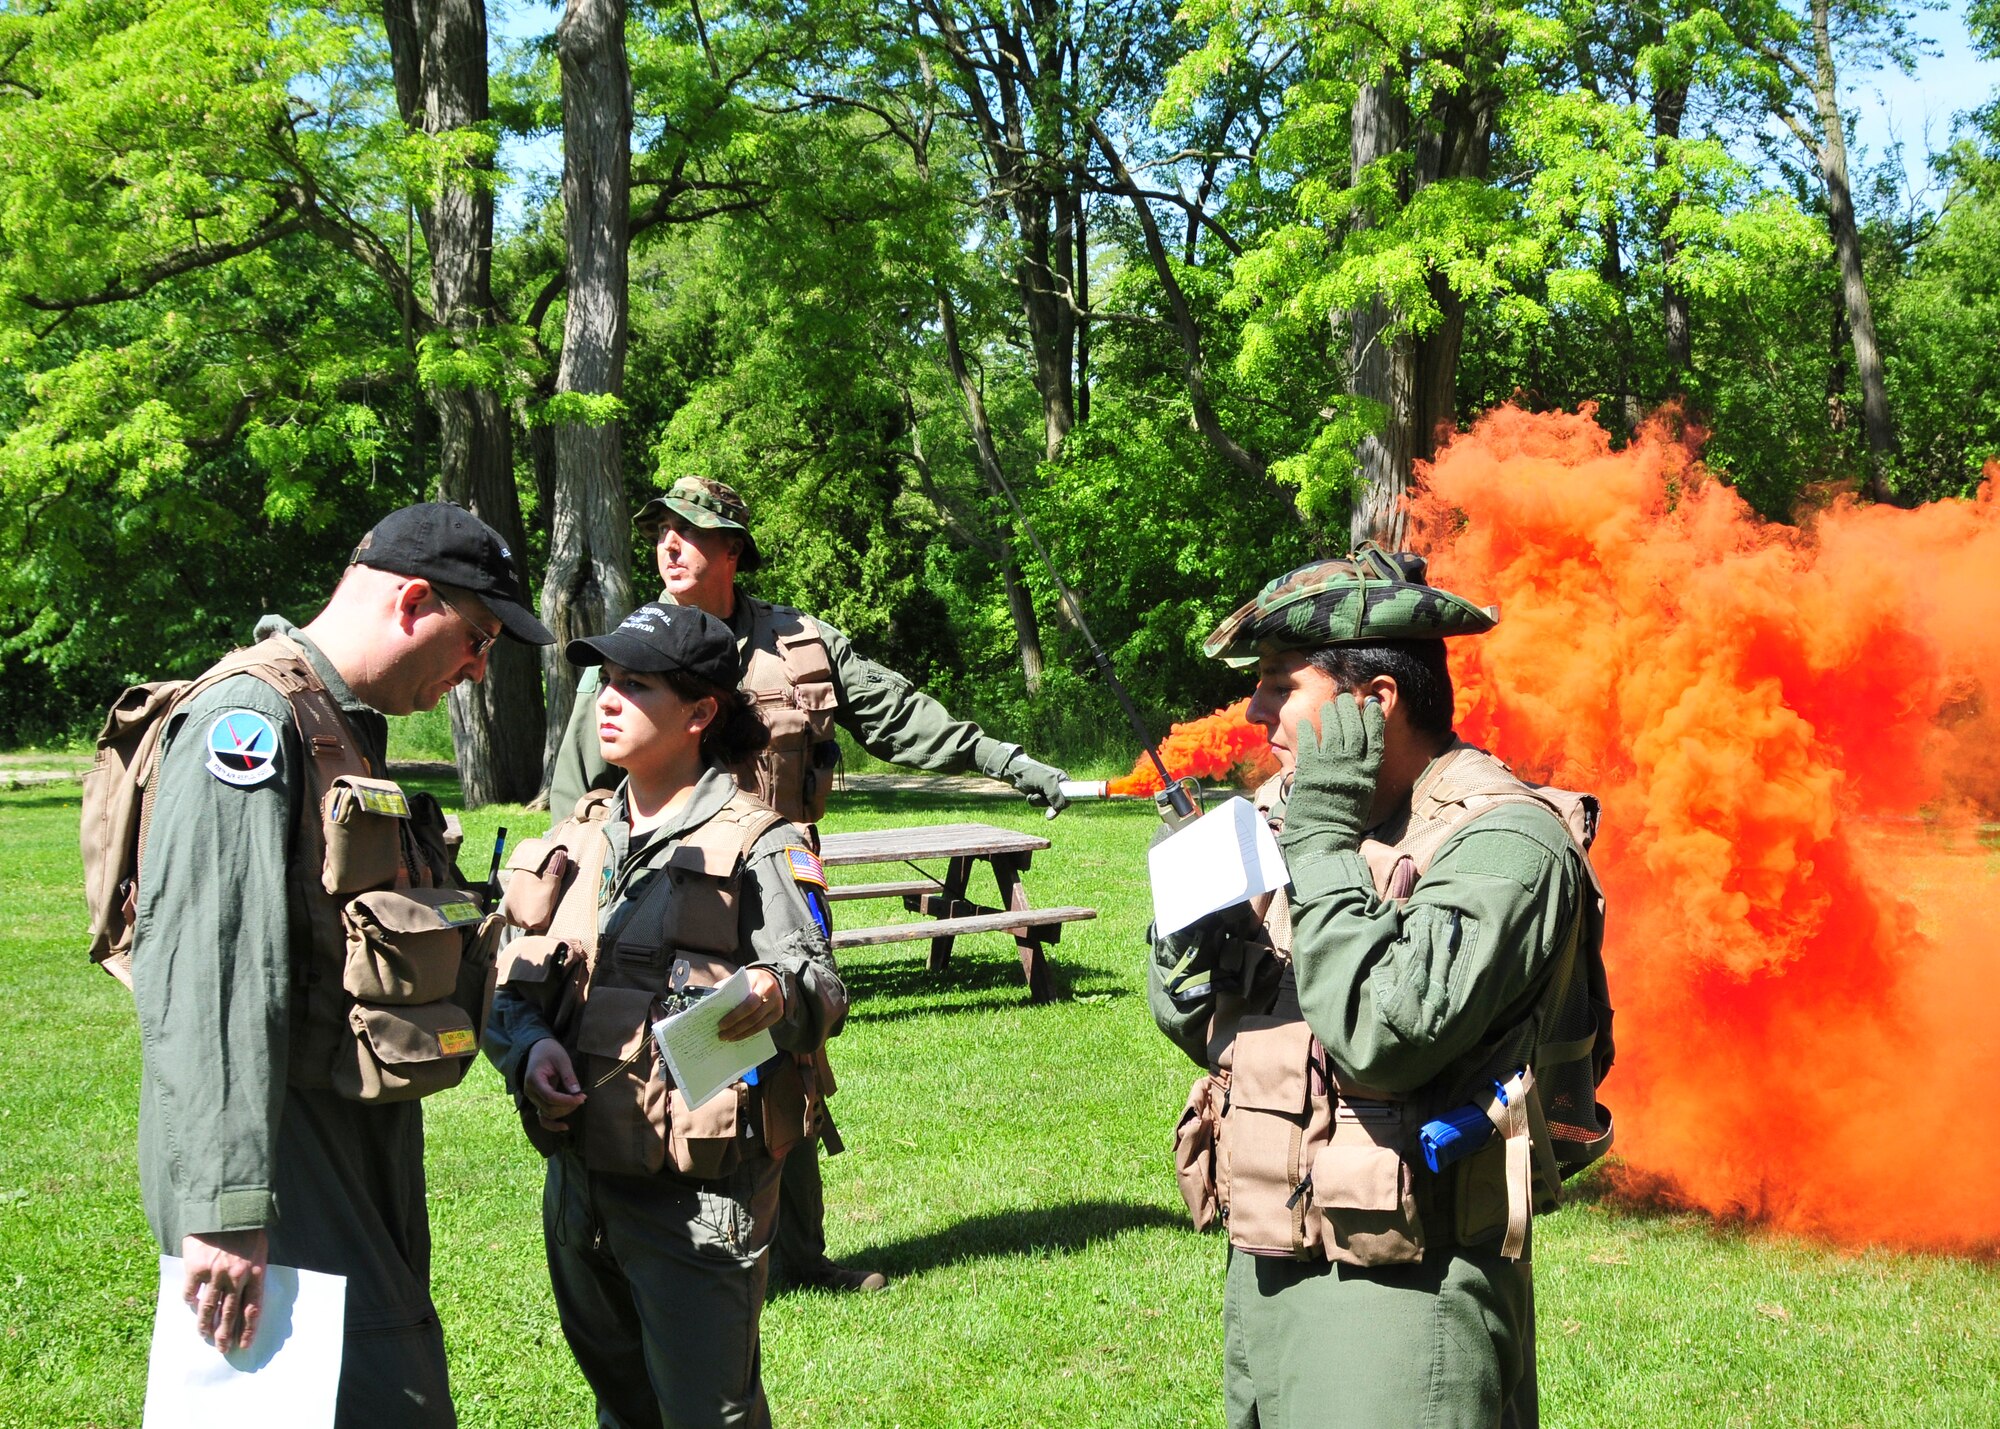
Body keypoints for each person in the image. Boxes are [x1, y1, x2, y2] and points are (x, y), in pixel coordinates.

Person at [548, 475, 1069, 1292]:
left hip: (777, 891)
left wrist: (1009, 762)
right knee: (661, 1062)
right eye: (660, 532)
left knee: (792, 1059)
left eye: (690, 532)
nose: (669, 546)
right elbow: (571, 795)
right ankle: (651, 1243)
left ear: (732, 551)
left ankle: (796, 1254)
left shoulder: (802, 646)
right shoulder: (632, 651)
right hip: (665, 893)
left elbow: (905, 715)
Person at [1150, 549, 1606, 1429]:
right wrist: (1192, 937)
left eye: (1283, 682)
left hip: (1404, 1291)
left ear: (1376, 703)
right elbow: (1197, 1019)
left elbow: (1383, 1036)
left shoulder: (1506, 843)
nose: (1256, 710)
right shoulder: (1295, 816)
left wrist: (1319, 844)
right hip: (1271, 1259)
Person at [132, 502, 555, 1425]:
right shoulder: (250, 720)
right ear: (411, 601)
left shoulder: (337, 723)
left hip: (344, 1139)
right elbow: (212, 968)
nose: (479, 668)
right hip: (279, 1162)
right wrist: (224, 1201)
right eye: (477, 637)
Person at [485, 601, 848, 1429]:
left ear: (699, 713)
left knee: (707, 1416)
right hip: (577, 1191)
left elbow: (823, 986)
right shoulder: (579, 839)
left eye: (635, 685)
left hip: (697, 1200)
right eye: (606, 680)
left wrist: (778, 994)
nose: (607, 699)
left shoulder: (761, 842)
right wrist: (531, 1046)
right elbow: (509, 992)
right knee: (623, 1409)